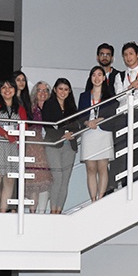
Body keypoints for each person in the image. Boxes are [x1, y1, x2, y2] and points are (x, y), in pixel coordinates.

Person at [111, 42, 138, 189]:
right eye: (125, 55)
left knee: (136, 149)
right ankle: (122, 184)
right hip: (123, 115)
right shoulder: (120, 76)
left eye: (131, 54)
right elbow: (119, 96)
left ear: (137, 54)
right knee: (121, 151)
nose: (128, 57)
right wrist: (130, 87)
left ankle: (135, 183)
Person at [0, 78, 29, 212]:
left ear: (15, 90)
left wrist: (14, 135)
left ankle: (3, 210)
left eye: (10, 87)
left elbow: (24, 127)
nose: (7, 90)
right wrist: (5, 134)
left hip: (13, 146)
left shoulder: (20, 108)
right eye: (4, 87)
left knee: (9, 179)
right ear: (0, 91)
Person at [77, 66, 117, 202]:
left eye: (100, 75)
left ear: (104, 78)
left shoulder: (110, 95)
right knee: (90, 168)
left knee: (103, 167)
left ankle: (101, 198)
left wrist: (98, 120)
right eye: (94, 75)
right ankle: (93, 199)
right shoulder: (84, 96)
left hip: (103, 133)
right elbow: (80, 115)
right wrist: (88, 123)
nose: (97, 78)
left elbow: (113, 112)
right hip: (89, 133)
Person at [41, 77, 79, 213]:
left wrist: (71, 133)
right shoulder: (48, 104)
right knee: (57, 178)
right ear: (55, 90)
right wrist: (64, 133)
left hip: (70, 145)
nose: (63, 92)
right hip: (54, 144)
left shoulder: (72, 106)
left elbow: (77, 125)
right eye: (61, 89)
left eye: (66, 89)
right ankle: (52, 211)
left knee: (65, 180)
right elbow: (48, 125)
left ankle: (59, 210)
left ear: (69, 92)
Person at [26, 79, 53, 212]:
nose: (42, 93)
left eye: (45, 90)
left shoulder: (54, 107)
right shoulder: (30, 108)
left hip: (51, 146)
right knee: (35, 182)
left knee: (47, 182)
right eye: (39, 90)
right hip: (34, 148)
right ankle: (33, 212)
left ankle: (42, 212)